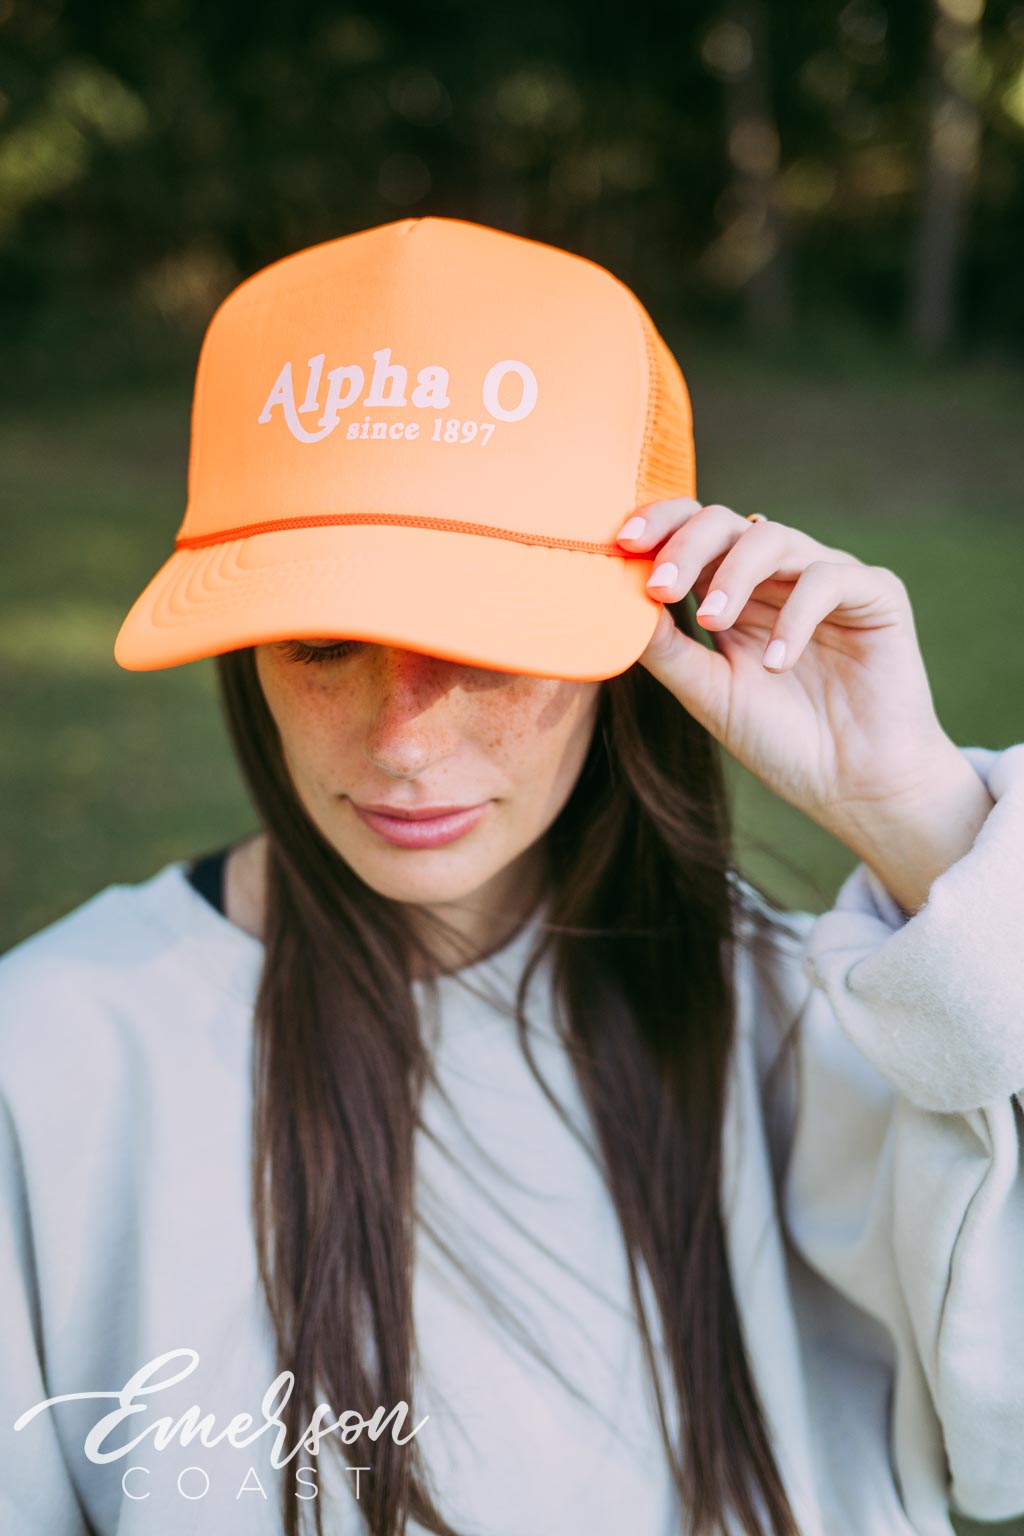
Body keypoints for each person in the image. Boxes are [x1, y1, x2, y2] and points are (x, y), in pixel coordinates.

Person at [0, 216, 1021, 1536]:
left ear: (640, 628)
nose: (405, 744)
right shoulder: (53, 1056)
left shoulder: (821, 1019)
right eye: (321, 642)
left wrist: (918, 818)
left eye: (489, 643)